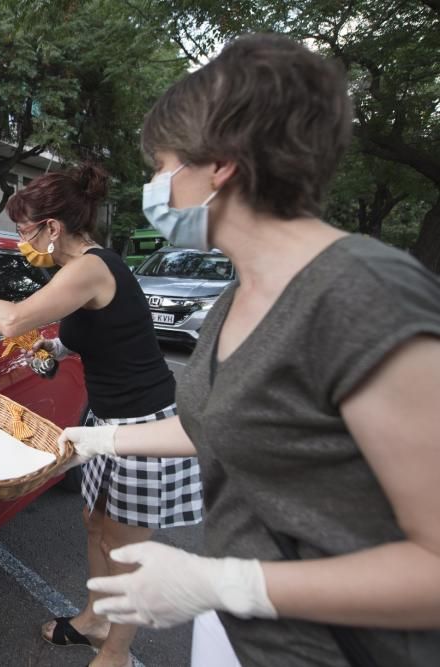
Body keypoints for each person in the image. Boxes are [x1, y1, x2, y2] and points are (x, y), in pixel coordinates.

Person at [60, 34, 440, 667]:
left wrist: (227, 584)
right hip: (239, 633)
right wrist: (94, 442)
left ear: (221, 164)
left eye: (163, 165)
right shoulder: (241, 291)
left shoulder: (365, 296)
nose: (156, 187)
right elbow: (216, 422)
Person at [0, 164, 203, 667]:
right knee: (94, 522)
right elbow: (78, 337)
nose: (20, 242)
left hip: (143, 428)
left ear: (52, 228)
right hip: (108, 424)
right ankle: (95, 618)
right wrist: (47, 347)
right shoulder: (85, 271)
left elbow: (9, 319)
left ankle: (116, 652)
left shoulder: (92, 267)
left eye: (24, 231)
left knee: (127, 551)